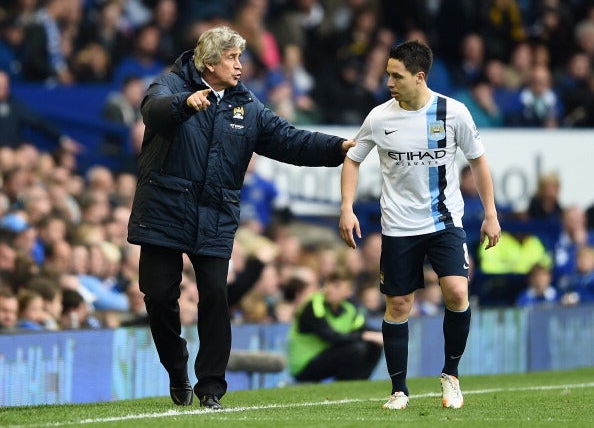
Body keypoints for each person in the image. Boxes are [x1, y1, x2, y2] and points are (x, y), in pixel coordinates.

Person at [126, 25, 355, 410]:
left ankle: (211, 388)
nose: (240, 65)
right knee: (160, 295)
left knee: (216, 296)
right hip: (165, 210)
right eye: (232, 58)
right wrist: (185, 105)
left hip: (215, 214)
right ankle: (176, 366)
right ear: (210, 62)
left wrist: (339, 148)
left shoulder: (247, 107)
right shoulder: (167, 85)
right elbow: (154, 113)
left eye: (240, 57)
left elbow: (290, 140)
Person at [338, 40, 501, 410]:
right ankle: (398, 390)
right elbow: (352, 160)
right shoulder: (379, 117)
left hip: (444, 220)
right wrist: (346, 207)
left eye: (396, 76)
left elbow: (479, 161)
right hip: (398, 226)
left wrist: (490, 213)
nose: (389, 82)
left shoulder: (453, 112)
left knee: (458, 292)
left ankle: (451, 375)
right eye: (387, 75)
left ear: (419, 77)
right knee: (398, 304)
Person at [287, 267, 383, 382]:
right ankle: (346, 385)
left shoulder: (349, 309)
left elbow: (365, 328)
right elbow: (332, 337)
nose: (330, 289)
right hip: (304, 365)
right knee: (356, 348)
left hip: (326, 358)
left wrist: (383, 335)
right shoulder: (314, 304)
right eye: (329, 283)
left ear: (348, 292)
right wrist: (364, 335)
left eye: (337, 286)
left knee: (375, 343)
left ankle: (360, 383)